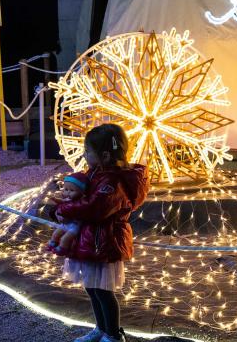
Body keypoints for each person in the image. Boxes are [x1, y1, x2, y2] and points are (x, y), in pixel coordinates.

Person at [54, 124, 149, 342]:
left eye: (88, 151)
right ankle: (101, 328)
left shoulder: (113, 181)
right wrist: (62, 205)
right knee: (92, 288)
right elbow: (81, 197)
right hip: (91, 239)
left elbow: (96, 208)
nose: (85, 155)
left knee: (104, 292)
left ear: (104, 155)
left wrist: (63, 209)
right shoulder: (96, 173)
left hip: (105, 241)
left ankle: (113, 335)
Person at [45, 172, 90, 255]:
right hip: (65, 224)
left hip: (74, 226)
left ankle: (62, 248)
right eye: (66, 189)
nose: (68, 192)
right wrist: (55, 199)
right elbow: (62, 202)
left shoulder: (80, 202)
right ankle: (52, 244)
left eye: (72, 190)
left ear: (81, 192)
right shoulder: (68, 199)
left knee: (65, 239)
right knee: (55, 234)